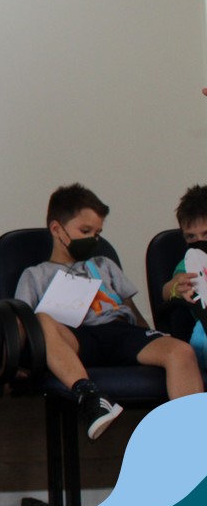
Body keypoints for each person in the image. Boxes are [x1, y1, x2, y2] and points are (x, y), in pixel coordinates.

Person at [14, 184, 203, 440]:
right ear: (57, 229)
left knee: (180, 350)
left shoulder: (104, 265)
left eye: (97, 233)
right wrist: (16, 363)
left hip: (120, 331)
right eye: (85, 231)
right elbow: (22, 324)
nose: (93, 239)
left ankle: (194, 441)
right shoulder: (35, 274)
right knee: (42, 320)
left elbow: (132, 312)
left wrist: (153, 336)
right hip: (75, 338)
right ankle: (90, 398)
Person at [157, 184, 207, 368]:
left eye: (206, 234)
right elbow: (168, 289)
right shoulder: (189, 263)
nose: (199, 241)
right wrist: (176, 287)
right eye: (191, 237)